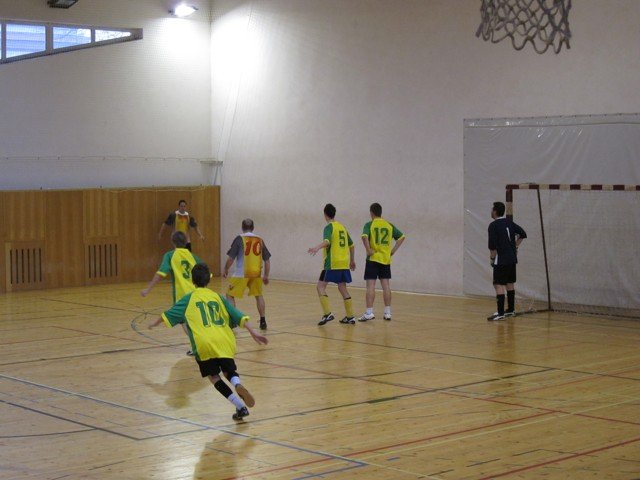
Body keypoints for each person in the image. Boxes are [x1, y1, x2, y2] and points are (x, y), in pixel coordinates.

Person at [149, 263, 268, 421]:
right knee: (228, 371)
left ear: (193, 281)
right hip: (224, 340)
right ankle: (237, 383)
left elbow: (167, 315)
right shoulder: (217, 297)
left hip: (204, 344)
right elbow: (238, 315)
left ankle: (240, 406)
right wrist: (253, 332)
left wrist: (154, 323)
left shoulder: (188, 299)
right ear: (209, 280)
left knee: (214, 376)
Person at [141, 231, 202, 355]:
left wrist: (148, 289)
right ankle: (199, 345)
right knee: (189, 321)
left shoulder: (170, 256)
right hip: (196, 293)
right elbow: (207, 274)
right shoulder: (193, 256)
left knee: (184, 322)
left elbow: (160, 274)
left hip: (182, 295)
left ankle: (198, 347)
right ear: (186, 242)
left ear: (173, 242)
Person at [307, 203, 356, 325]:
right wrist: (352, 260)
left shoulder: (329, 227)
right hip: (343, 263)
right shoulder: (342, 227)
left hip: (332, 263)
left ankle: (327, 314)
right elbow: (352, 245)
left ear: (325, 214)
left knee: (320, 287)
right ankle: (350, 316)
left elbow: (327, 241)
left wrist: (317, 247)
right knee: (342, 288)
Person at [359, 202, 405, 322]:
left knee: (371, 286)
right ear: (381, 212)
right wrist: (392, 251)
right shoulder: (389, 225)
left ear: (371, 213)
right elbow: (401, 237)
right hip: (385, 260)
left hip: (373, 259)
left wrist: (368, 250)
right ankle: (387, 312)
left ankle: (369, 312)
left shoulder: (369, 224)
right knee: (386, 286)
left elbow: (364, 236)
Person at [223, 219, 271, 331]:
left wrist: (225, 269)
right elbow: (267, 260)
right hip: (256, 274)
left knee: (229, 295)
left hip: (241, 273)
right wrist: (266, 275)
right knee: (258, 295)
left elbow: (231, 258)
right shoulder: (260, 240)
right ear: (253, 228)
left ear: (242, 227)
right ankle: (263, 321)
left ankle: (233, 321)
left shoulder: (239, 238)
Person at [487, 201, 527, 321]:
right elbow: (523, 234)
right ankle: (510, 310)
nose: (491, 211)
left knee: (498, 284)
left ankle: (500, 313)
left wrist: (492, 259)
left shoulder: (493, 225)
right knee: (509, 283)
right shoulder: (509, 222)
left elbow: (493, 246)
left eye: (492, 209)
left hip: (502, 260)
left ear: (495, 211)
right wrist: (515, 247)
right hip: (512, 259)